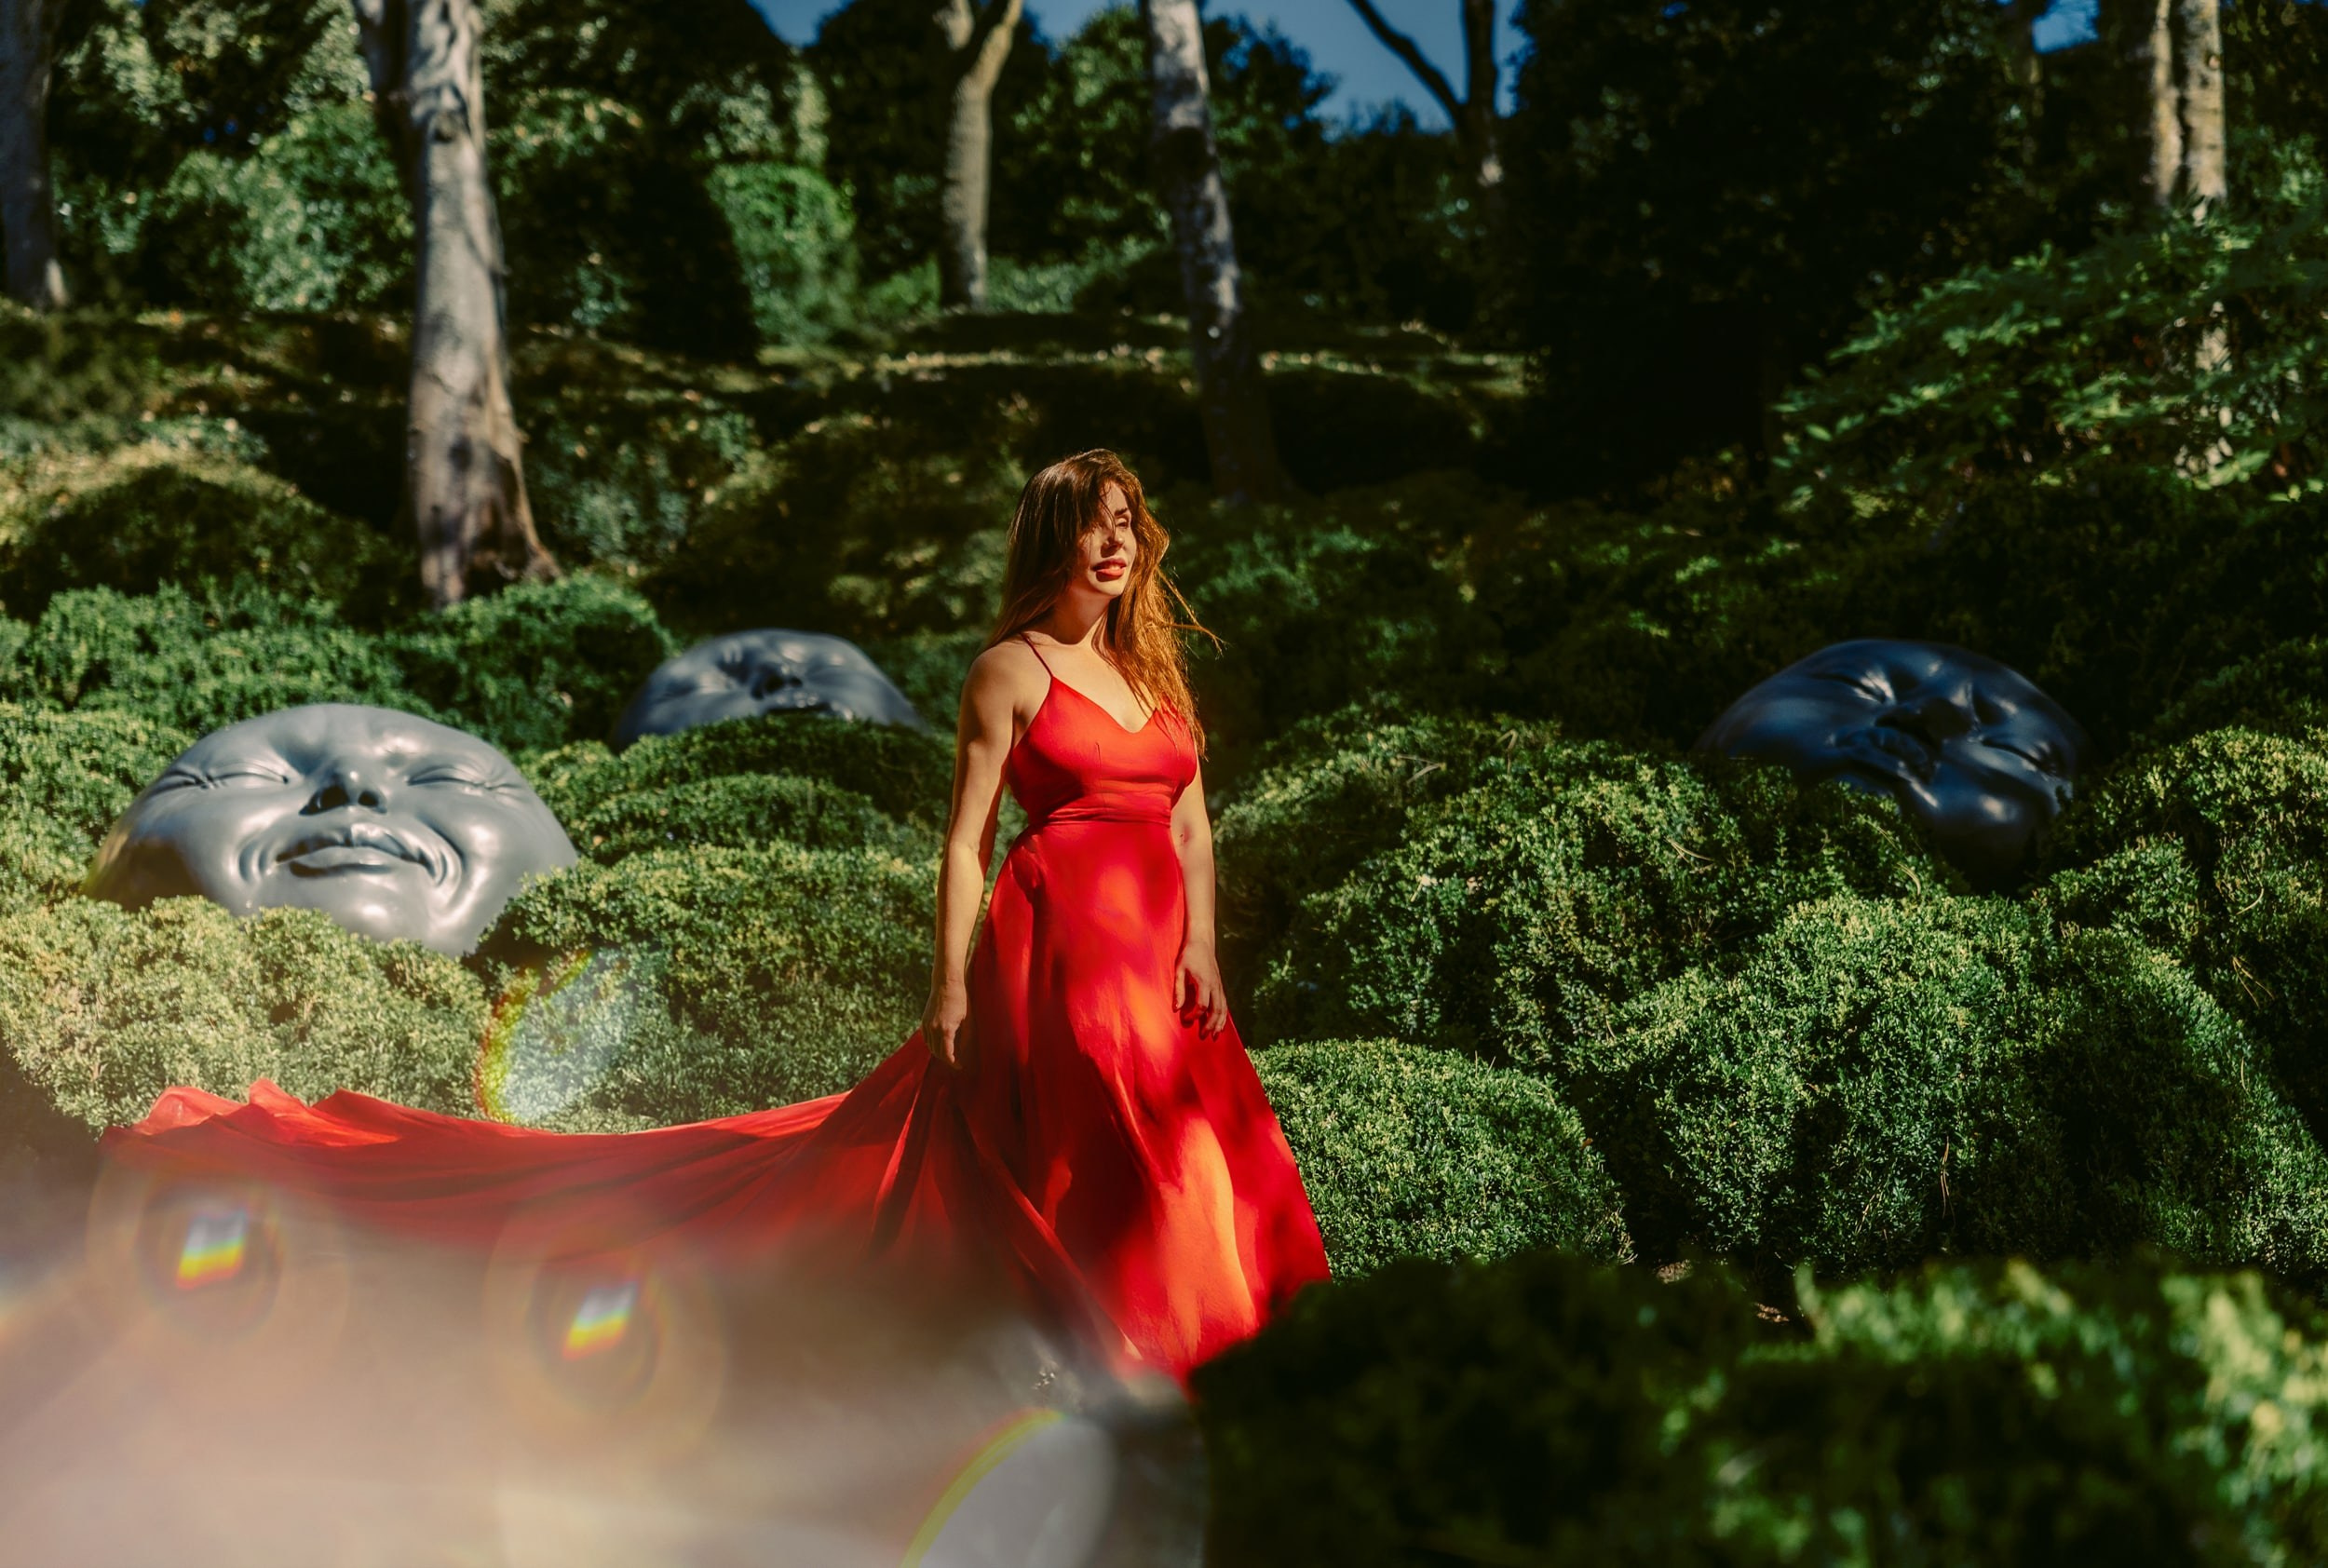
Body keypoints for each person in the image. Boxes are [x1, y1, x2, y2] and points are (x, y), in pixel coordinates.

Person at [104, 450, 1330, 1386]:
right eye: (1093, 524)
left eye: (1127, 523)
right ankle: (1149, 1340)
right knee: (1110, 1134)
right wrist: (952, 984)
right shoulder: (1010, 669)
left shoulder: (1154, 671)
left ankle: (1207, 1333)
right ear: (1054, 540)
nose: (1115, 544)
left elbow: (1192, 824)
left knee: (1189, 1134)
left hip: (1164, 950)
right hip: (1062, 942)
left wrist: (1204, 944)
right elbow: (966, 840)